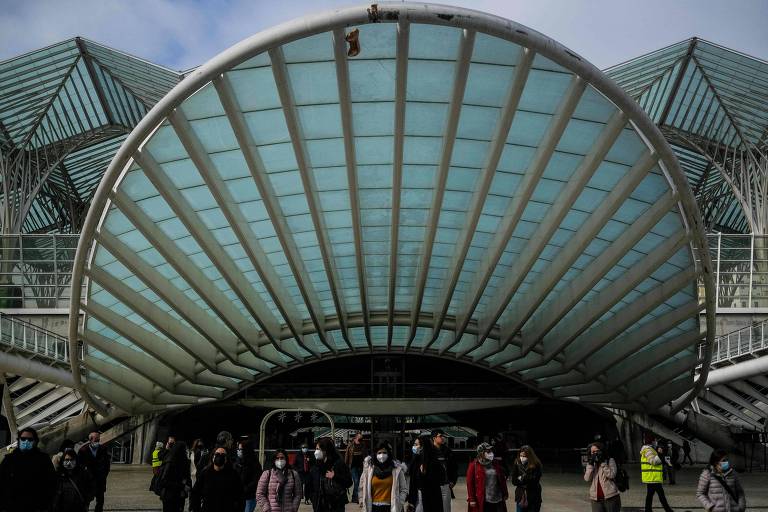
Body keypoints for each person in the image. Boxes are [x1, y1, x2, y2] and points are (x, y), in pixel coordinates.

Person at [0, 427, 57, 512]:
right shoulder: (9, 460)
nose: (26, 441)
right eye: (23, 439)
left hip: (35, 507)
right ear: (19, 440)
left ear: (35, 441)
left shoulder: (43, 460)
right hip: (11, 507)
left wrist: (43, 506)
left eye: (30, 439)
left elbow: (51, 483)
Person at [190, 445, 244, 512]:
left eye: (223, 455)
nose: (220, 456)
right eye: (217, 454)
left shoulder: (233, 474)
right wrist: (196, 509)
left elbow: (240, 496)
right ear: (213, 457)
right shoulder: (205, 473)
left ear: (226, 459)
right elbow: (195, 493)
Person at [359, 441, 408, 512]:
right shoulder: (369, 469)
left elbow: (403, 489)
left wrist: (400, 503)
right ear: (375, 454)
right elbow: (361, 486)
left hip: (391, 507)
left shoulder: (397, 469)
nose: (382, 455)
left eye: (384, 452)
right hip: (372, 507)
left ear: (389, 454)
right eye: (379, 453)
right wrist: (361, 500)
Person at [256, 448, 303, 512]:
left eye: (282, 458)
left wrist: (293, 508)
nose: (279, 460)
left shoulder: (293, 474)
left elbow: (298, 494)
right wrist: (266, 508)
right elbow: (260, 494)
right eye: (277, 458)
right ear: (274, 460)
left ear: (286, 459)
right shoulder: (267, 474)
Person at [466, 442, 509, 512]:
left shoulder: (495, 463)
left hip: (497, 498)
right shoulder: (474, 465)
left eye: (491, 451)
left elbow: (501, 479)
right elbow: (470, 484)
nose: (491, 453)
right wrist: (472, 499)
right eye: (488, 451)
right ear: (481, 453)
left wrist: (505, 493)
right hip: (483, 499)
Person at [314, 437, 353, 512]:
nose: (316, 451)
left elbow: (349, 482)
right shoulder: (317, 465)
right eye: (316, 449)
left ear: (326, 450)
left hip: (336, 503)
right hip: (321, 504)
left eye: (318, 449)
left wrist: (335, 476)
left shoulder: (339, 463)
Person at [77, 430, 111, 512]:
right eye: (96, 440)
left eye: (98, 440)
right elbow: (80, 466)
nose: (97, 442)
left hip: (100, 480)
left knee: (100, 500)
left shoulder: (103, 449)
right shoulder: (83, 451)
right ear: (90, 440)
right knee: (86, 500)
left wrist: (103, 475)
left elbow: (107, 464)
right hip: (88, 480)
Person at [407, 435, 443, 512]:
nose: (414, 447)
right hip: (417, 497)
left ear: (423, 447)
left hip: (430, 499)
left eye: (416, 444)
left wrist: (424, 473)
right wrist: (410, 501)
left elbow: (439, 479)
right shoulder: (415, 460)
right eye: (414, 444)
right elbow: (412, 483)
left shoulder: (433, 462)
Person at [53, 448, 94, 512]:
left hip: (79, 508)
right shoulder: (59, 476)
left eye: (72, 460)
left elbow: (92, 487)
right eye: (66, 460)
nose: (69, 462)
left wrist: (86, 500)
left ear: (76, 460)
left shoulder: (83, 474)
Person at [584, 442, 620, 512]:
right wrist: (590, 465)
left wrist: (602, 463)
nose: (595, 454)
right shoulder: (591, 464)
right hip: (595, 499)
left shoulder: (610, 460)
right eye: (593, 452)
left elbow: (612, 475)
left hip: (610, 497)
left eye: (597, 451)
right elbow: (587, 478)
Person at [639, 434, 672, 512]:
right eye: (655, 440)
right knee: (661, 495)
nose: (656, 442)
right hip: (652, 477)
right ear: (652, 441)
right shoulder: (648, 450)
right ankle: (668, 510)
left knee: (650, 495)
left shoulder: (651, 449)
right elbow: (653, 461)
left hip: (652, 477)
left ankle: (648, 510)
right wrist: (659, 453)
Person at [156, 441, 191, 512]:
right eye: (185, 450)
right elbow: (164, 481)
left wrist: (187, 485)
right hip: (169, 497)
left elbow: (187, 477)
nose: (186, 452)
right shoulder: (170, 462)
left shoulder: (184, 463)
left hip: (179, 496)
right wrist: (182, 486)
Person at [431, 429, 458, 512]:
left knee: (446, 509)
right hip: (432, 486)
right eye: (440, 436)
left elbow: (454, 467)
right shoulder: (429, 451)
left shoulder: (447, 451)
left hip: (445, 485)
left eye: (443, 436)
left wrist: (453, 481)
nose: (443, 438)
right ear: (434, 438)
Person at [510, 445, 542, 512]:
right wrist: (526, 478)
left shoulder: (536, 465)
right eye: (521, 456)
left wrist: (521, 477)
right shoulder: (517, 463)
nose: (522, 458)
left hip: (533, 496)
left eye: (524, 456)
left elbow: (534, 481)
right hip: (520, 495)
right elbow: (514, 481)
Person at [236, 439, 263, 512]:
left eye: (241, 449)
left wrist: (245, 489)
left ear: (247, 450)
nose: (239, 451)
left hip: (249, 497)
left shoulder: (255, 464)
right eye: (238, 449)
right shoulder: (237, 463)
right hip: (238, 497)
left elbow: (256, 480)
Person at [345, 431, 368, 504]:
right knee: (356, 481)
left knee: (361, 482)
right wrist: (346, 466)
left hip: (361, 466)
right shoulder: (350, 445)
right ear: (356, 437)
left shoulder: (363, 445)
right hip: (353, 466)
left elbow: (366, 455)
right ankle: (355, 497)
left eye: (362, 438)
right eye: (360, 438)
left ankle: (358, 497)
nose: (361, 439)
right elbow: (347, 456)